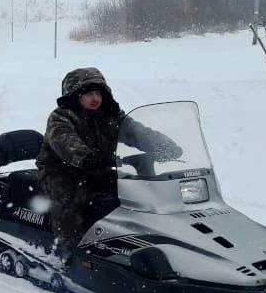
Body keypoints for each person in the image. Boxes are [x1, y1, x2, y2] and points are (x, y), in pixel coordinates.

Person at [36, 67, 182, 260]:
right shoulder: (61, 117)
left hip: (98, 169)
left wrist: (164, 145)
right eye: (89, 94)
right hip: (61, 171)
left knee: (135, 193)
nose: (95, 98)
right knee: (70, 200)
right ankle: (68, 252)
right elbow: (65, 142)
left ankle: (135, 240)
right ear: (75, 95)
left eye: (98, 93)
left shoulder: (110, 115)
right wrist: (86, 157)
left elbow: (135, 131)